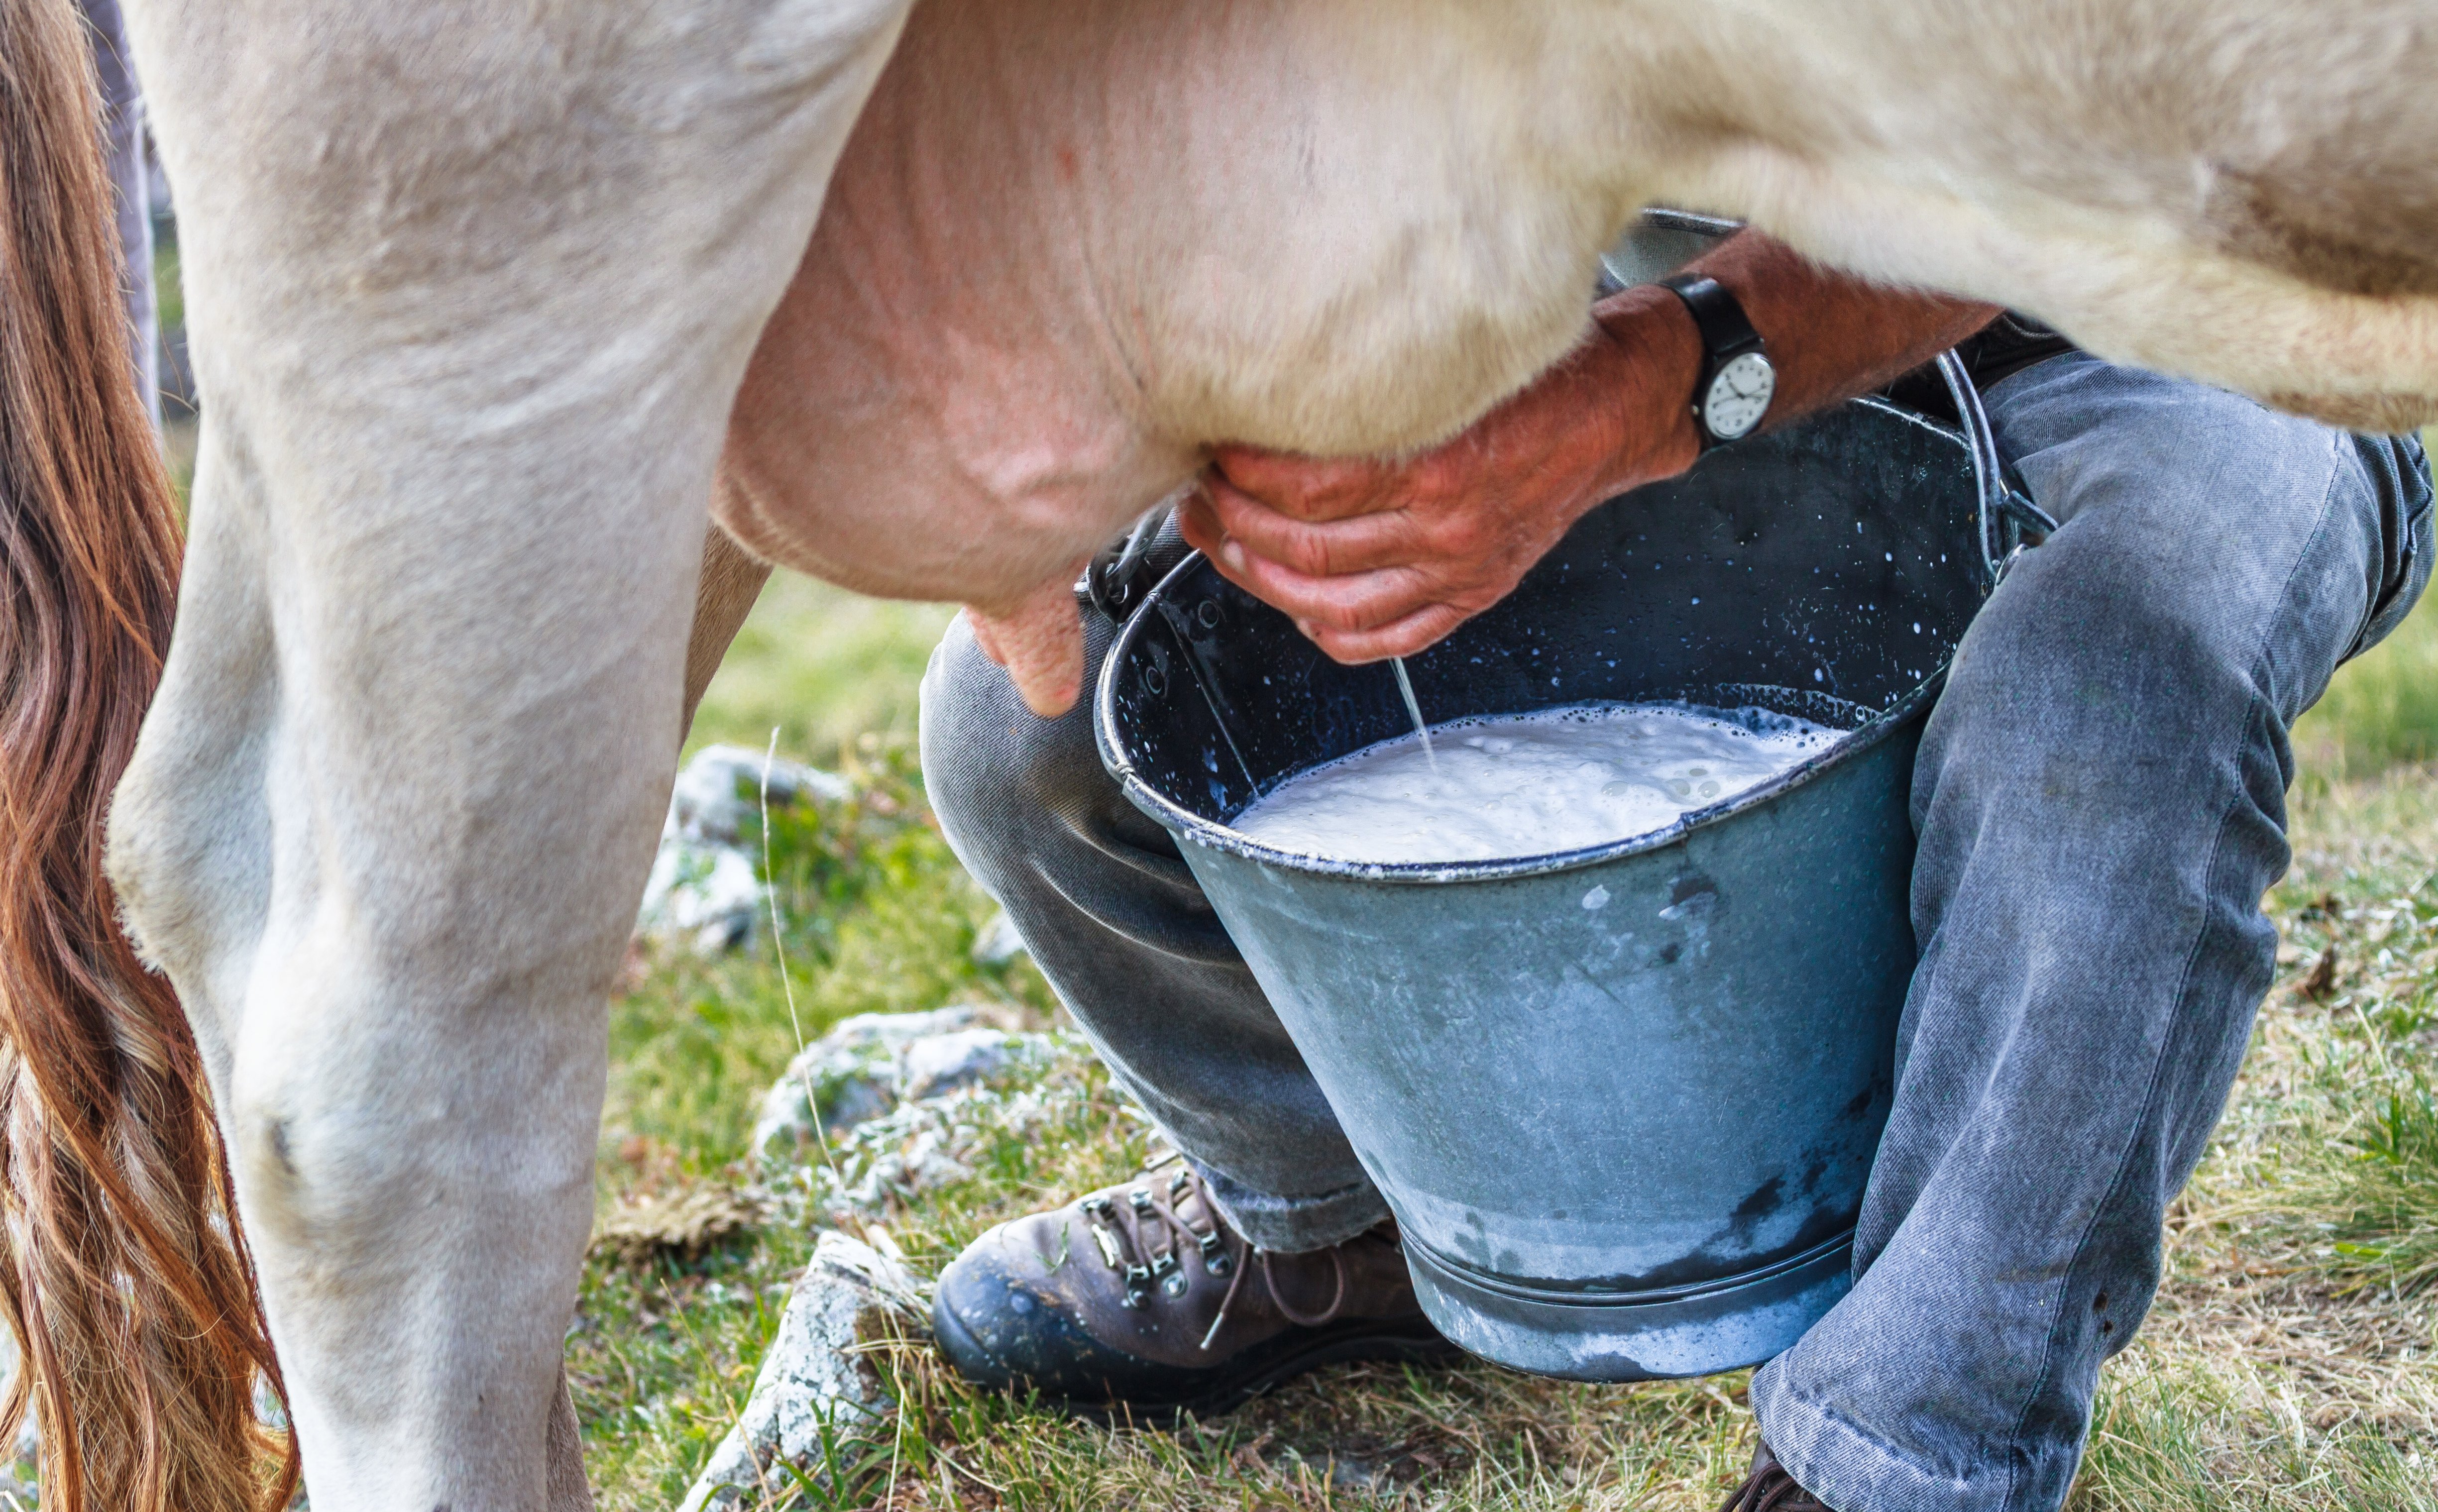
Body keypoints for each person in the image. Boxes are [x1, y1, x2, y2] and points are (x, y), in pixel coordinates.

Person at [915, 224, 2433, 1512]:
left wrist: (1652, 383)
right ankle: (1364, 1217)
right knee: (1032, 715)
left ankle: (1899, 1448)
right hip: (1634, 317)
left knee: (2107, 695)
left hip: (2181, 333)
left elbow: (2054, 184)